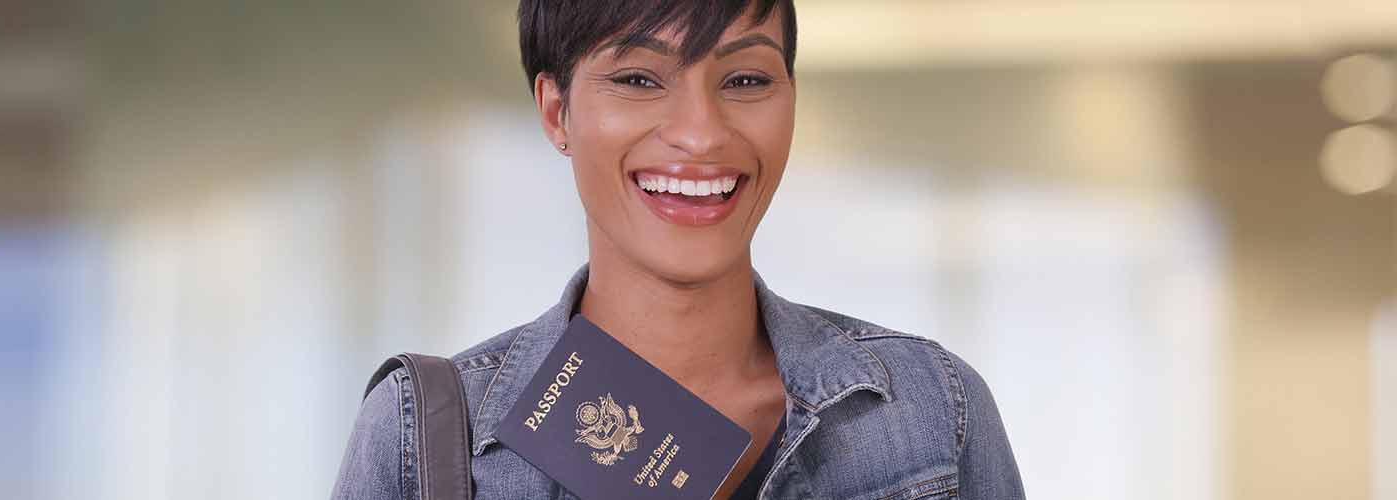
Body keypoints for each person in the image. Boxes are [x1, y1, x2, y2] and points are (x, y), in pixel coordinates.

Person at [333, 1, 1024, 498]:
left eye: (747, 80)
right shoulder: (421, 437)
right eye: (639, 79)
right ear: (555, 111)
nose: (700, 134)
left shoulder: (935, 407)